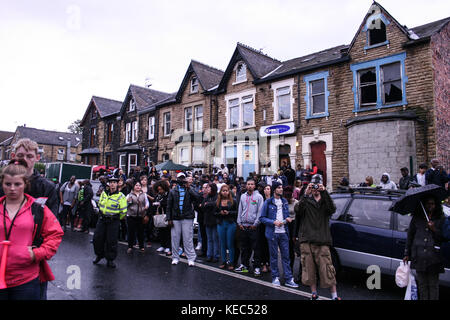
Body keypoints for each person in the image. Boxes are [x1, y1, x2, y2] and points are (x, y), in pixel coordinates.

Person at [0, 159, 63, 300]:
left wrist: (38, 253)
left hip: (26, 281)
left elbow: (55, 234)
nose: (12, 188)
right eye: (7, 184)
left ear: (25, 184)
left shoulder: (37, 209)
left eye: (17, 184)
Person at [294, 180, 341, 300]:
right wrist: (305, 194)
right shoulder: (306, 201)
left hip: (322, 240)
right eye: (313, 187)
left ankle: (334, 296)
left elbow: (332, 209)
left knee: (327, 269)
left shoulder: (325, 202)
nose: (315, 189)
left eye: (317, 187)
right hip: (307, 240)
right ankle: (314, 294)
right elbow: (297, 210)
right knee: (309, 270)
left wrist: (324, 192)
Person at [0, 139, 59, 217]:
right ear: (13, 156)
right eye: (20, 155)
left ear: (37, 158)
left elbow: (52, 220)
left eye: (29, 156)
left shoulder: (47, 187)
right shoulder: (2, 184)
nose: (24, 159)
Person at [403, 196, 446, 300]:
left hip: (434, 258)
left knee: (433, 285)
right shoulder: (417, 218)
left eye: (433, 204)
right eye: (428, 204)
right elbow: (410, 236)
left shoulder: (441, 218)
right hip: (419, 256)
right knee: (422, 285)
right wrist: (406, 253)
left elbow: (444, 237)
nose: (430, 206)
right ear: (424, 205)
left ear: (436, 205)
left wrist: (434, 229)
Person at [259, 181, 298, 288]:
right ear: (275, 189)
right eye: (279, 188)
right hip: (272, 233)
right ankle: (275, 277)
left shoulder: (285, 201)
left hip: (284, 233)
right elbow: (262, 218)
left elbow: (285, 216)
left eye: (282, 188)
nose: (281, 189)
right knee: (274, 256)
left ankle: (288, 278)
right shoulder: (268, 202)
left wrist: (287, 220)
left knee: (286, 256)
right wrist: (273, 222)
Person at [166, 172, 201, 266]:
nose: (181, 180)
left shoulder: (190, 189)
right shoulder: (173, 191)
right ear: (177, 180)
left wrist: (189, 188)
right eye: (179, 178)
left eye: (183, 178)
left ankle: (191, 258)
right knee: (175, 238)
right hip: (176, 218)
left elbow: (198, 197)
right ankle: (175, 257)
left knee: (188, 238)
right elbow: (169, 206)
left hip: (187, 217)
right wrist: (169, 218)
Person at [92, 177, 128, 268]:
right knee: (97, 238)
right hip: (102, 219)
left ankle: (110, 259)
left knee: (111, 241)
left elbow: (123, 211)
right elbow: (100, 204)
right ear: (108, 184)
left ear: (117, 184)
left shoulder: (121, 196)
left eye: (114, 183)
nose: (112, 184)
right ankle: (99, 255)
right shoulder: (104, 193)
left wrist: (115, 218)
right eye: (111, 182)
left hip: (113, 221)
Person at [235, 179, 264, 276]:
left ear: (255, 186)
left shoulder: (259, 197)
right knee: (244, 247)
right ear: (246, 186)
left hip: (254, 227)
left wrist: (255, 224)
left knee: (256, 248)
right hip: (244, 226)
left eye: (252, 184)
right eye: (248, 184)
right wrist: (239, 222)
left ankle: (256, 267)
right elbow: (240, 209)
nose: (250, 186)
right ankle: (244, 266)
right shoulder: (243, 196)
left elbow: (260, 212)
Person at [214, 184, 238, 270]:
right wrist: (220, 213)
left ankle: (231, 262)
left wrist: (229, 213)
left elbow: (236, 212)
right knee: (222, 244)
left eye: (226, 191)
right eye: (223, 191)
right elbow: (214, 213)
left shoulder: (233, 201)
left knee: (230, 243)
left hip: (231, 224)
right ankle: (223, 261)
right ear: (220, 192)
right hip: (221, 224)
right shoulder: (217, 201)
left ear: (229, 192)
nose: (225, 192)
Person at [126, 180, 149, 253]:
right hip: (131, 216)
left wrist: (146, 206)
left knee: (141, 232)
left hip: (141, 215)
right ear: (133, 187)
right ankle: (130, 246)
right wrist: (128, 202)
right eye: (136, 185)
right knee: (131, 232)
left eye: (139, 185)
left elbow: (147, 203)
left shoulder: (144, 195)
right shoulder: (129, 195)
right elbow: (126, 204)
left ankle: (141, 246)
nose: (138, 187)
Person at [201, 183, 220, 263]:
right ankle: (209, 255)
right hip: (207, 220)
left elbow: (216, 205)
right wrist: (208, 205)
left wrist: (208, 204)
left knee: (215, 239)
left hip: (215, 220)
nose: (207, 189)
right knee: (209, 239)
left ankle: (216, 255)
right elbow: (202, 206)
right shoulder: (207, 197)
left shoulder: (217, 196)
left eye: (209, 188)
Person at [152, 180, 171, 255]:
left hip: (166, 214)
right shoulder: (157, 196)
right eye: (158, 189)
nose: (160, 191)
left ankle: (168, 246)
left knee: (167, 231)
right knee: (161, 230)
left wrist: (161, 203)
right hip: (159, 214)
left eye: (161, 189)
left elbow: (168, 203)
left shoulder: (168, 194)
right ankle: (162, 245)